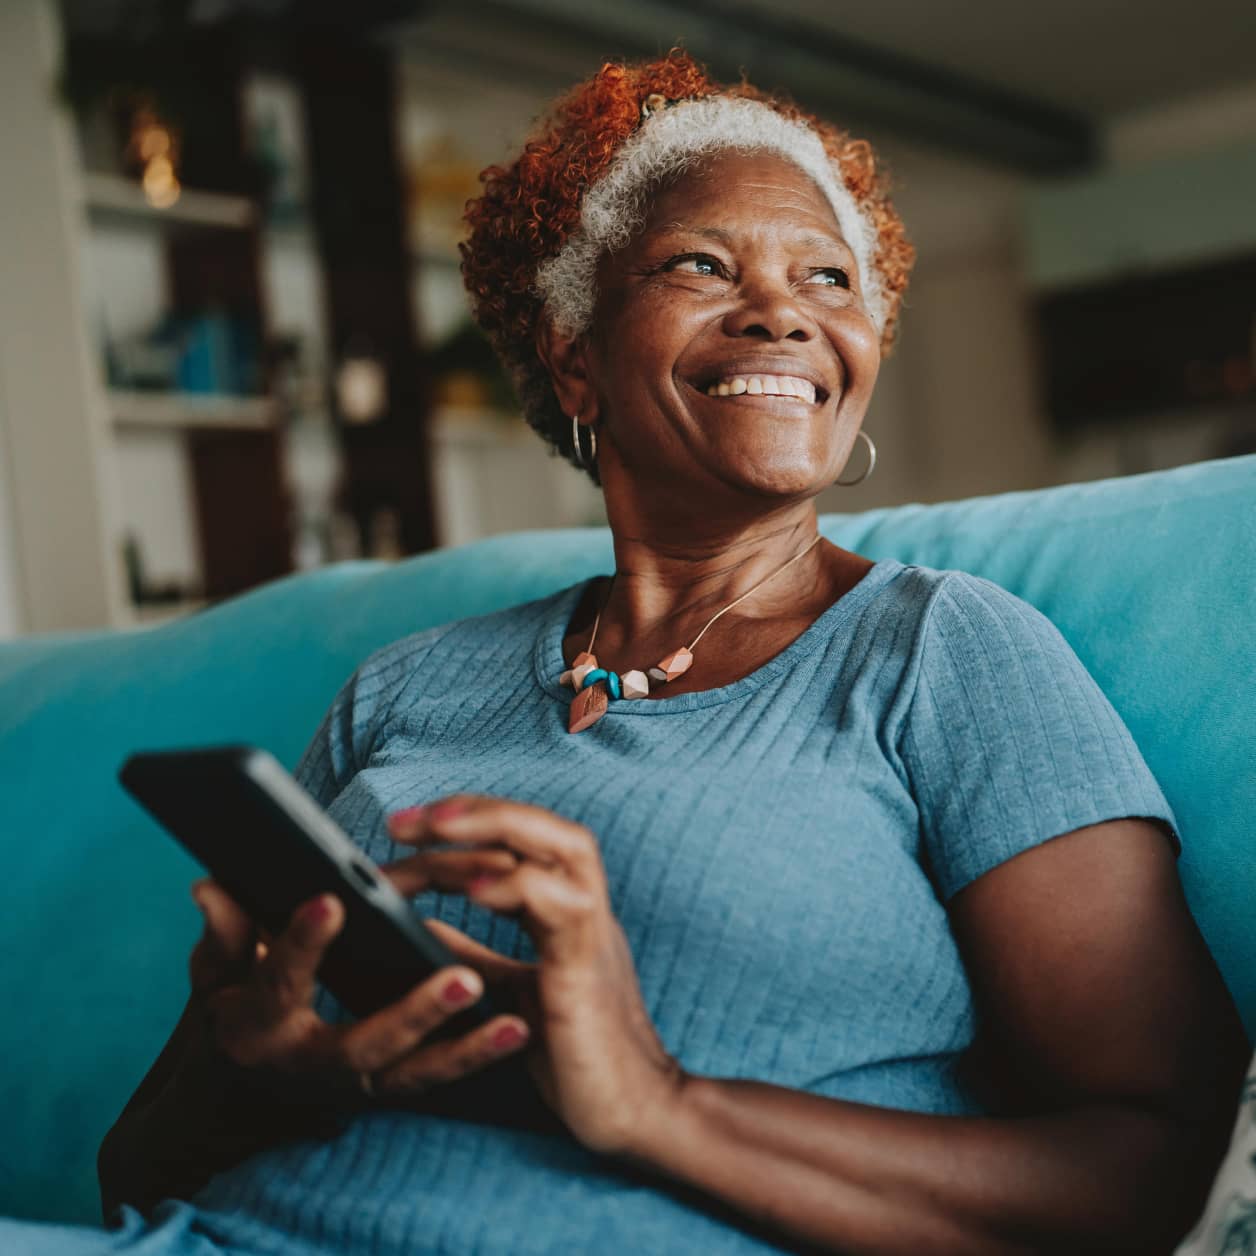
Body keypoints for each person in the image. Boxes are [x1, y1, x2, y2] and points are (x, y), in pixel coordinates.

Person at [7, 50, 1248, 1256]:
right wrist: (249, 1072)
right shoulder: (400, 688)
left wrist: (658, 1101)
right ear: (573, 357)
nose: (780, 309)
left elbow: (1150, 1161)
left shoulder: (944, 650)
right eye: (702, 264)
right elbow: (135, 1173)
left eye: (827, 278)